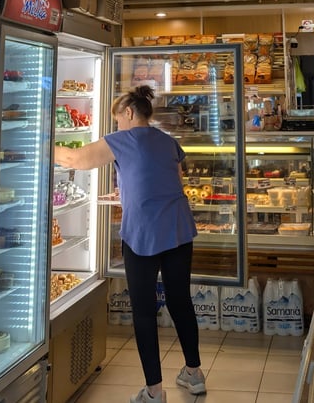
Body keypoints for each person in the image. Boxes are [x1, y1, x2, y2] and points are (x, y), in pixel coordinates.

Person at [54, 84, 206, 403]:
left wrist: (42, 141)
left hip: (143, 233)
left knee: (144, 311)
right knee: (180, 301)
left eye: (118, 119)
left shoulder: (123, 139)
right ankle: (194, 374)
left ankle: (154, 391)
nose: (117, 125)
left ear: (128, 113)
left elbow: (75, 159)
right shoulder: (167, 140)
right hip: (178, 229)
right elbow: (174, 182)